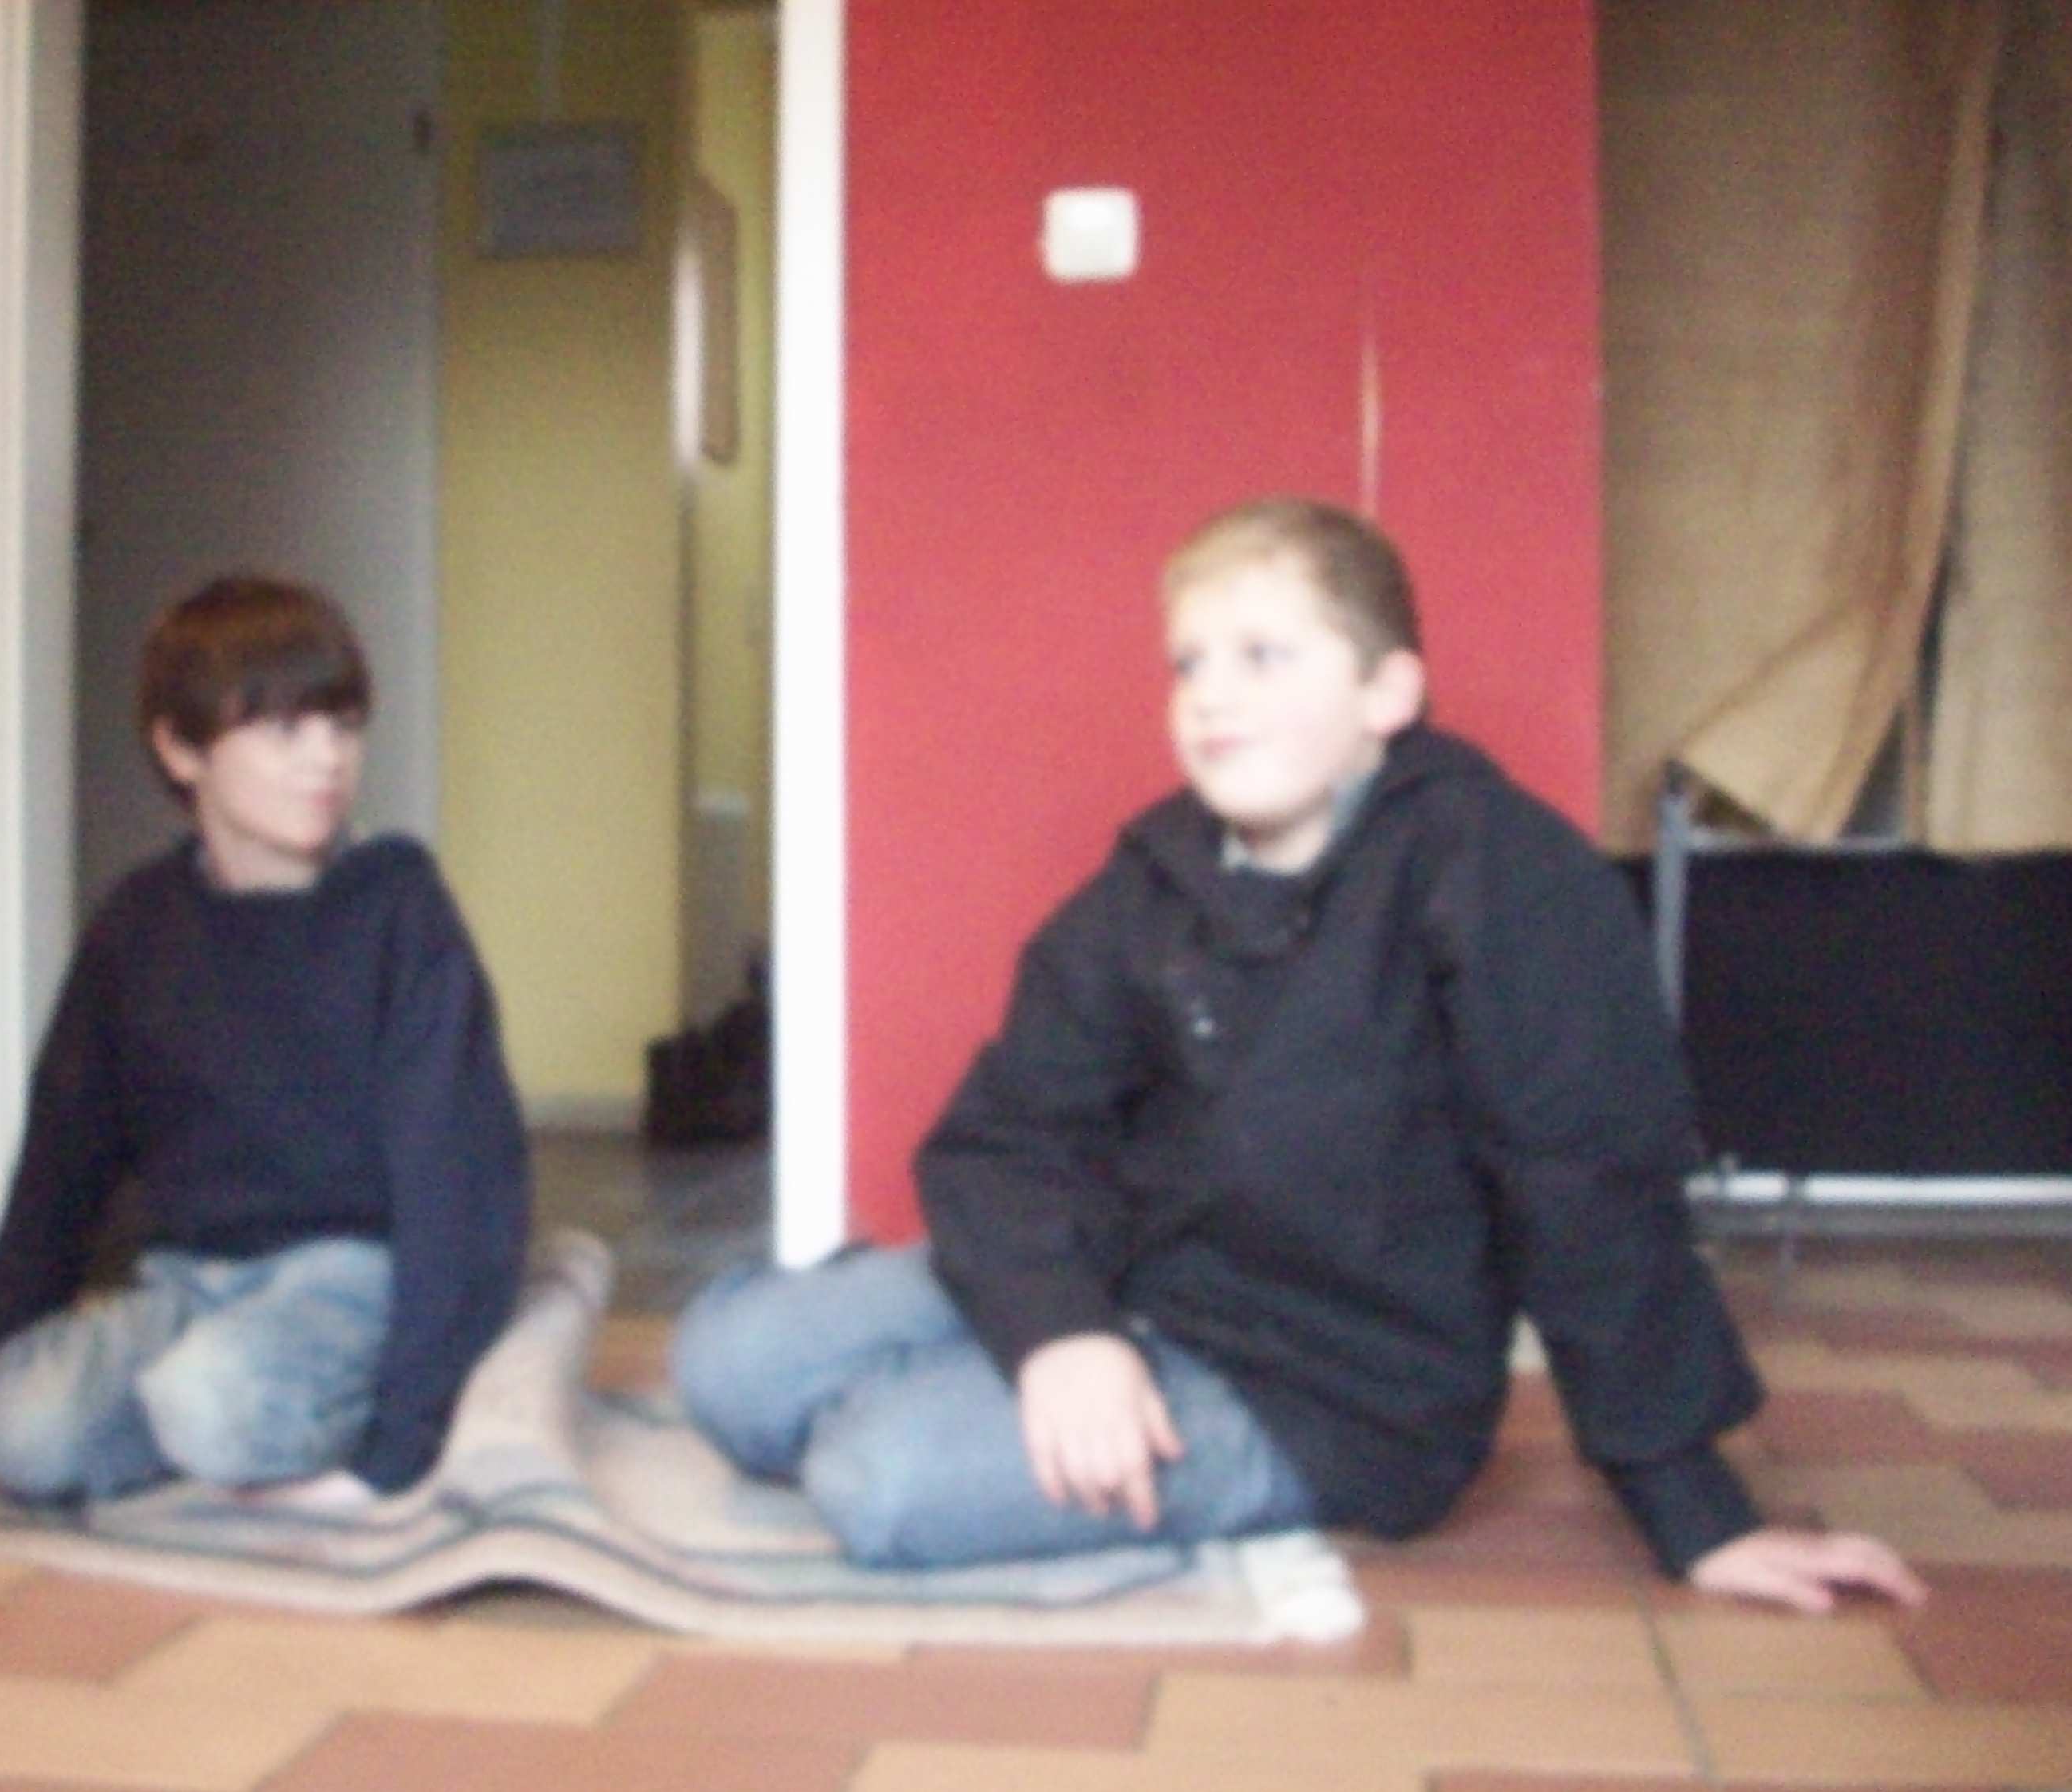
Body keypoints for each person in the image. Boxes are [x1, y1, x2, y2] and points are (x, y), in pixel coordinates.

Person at [674, 497, 1925, 1613]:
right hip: (1131, 1282)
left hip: (1330, 1391)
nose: (1211, 695)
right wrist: (1058, 1332)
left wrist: (1698, 1514)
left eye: (1264, 656)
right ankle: (1031, 1375)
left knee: (881, 1475)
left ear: (1386, 695)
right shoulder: (1153, 877)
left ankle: (999, 1404)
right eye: (1189, 663)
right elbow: (1013, 1131)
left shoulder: (1500, 876)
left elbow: (1588, 1182)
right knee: (727, 1367)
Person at [0, 576, 529, 1517]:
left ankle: (236, 1412)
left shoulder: (398, 908)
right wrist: (2, 1345)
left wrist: (402, 1447)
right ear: (180, 749)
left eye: (343, 726)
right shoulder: (137, 926)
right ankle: (208, 1415)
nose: (327, 758)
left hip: (351, 1278)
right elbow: (62, 1153)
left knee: (212, 1402)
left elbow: (457, 1180)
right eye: (285, 729)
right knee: (19, 1428)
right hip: (188, 1283)